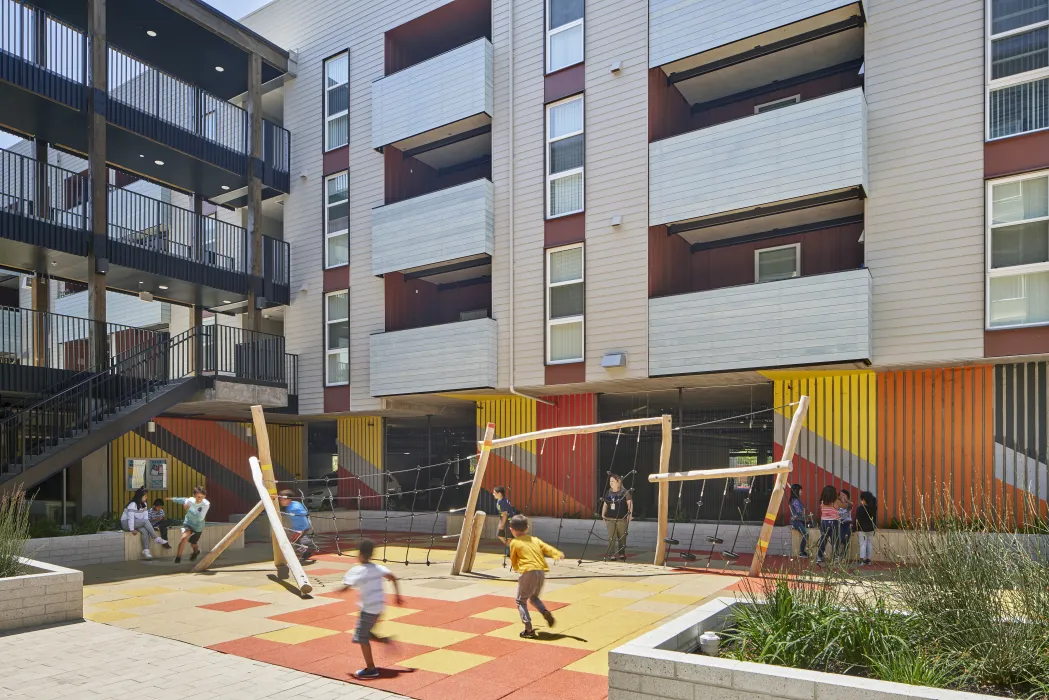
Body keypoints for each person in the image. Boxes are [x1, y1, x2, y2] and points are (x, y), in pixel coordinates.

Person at [341, 539, 403, 680]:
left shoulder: (358, 570)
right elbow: (393, 577)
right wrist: (398, 596)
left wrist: (340, 589)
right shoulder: (378, 568)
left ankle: (371, 669)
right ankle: (384, 640)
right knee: (366, 632)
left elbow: (346, 585)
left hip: (368, 609)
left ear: (361, 554)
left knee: (361, 637)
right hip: (379, 607)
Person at [508, 514, 562, 638]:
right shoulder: (535, 539)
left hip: (528, 571)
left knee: (520, 601)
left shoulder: (514, 542)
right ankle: (544, 611)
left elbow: (513, 559)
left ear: (511, 529)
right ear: (527, 528)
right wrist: (557, 554)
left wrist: (517, 569)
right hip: (541, 571)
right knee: (533, 597)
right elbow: (547, 548)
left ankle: (528, 629)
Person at [121, 487, 169, 559]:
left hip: (136, 522)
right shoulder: (132, 504)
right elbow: (131, 518)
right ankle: (156, 538)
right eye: (145, 496)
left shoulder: (144, 504)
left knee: (145, 530)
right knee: (145, 521)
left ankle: (146, 551)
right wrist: (131, 529)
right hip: (126, 523)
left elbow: (145, 517)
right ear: (140, 496)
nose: (147, 497)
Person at [169, 486, 209, 564]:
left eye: (201, 497)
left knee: (193, 543)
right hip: (188, 523)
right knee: (184, 538)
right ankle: (178, 557)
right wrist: (172, 499)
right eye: (197, 497)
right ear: (194, 496)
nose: (199, 499)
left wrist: (190, 507)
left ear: (204, 496)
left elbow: (200, 517)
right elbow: (183, 500)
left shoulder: (206, 504)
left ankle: (196, 551)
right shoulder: (191, 500)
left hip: (198, 526)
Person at [278, 489, 319, 562]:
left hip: (301, 528)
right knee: (297, 540)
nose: (281, 502)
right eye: (280, 500)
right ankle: (308, 548)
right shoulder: (294, 503)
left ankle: (308, 550)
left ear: (289, 499)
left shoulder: (293, 507)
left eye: (282, 500)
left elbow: (302, 513)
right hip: (302, 527)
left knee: (293, 541)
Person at [601, 473, 633, 561]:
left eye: (613, 481)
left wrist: (630, 514)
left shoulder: (624, 492)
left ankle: (622, 553)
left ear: (618, 482)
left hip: (621, 519)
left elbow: (629, 503)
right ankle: (612, 554)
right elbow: (605, 504)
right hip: (610, 519)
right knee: (611, 537)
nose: (610, 483)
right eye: (610, 481)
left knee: (622, 537)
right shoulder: (608, 492)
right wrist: (603, 514)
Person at [816, 485, 841, 565]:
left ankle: (819, 557)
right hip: (834, 522)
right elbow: (844, 506)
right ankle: (835, 557)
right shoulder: (836, 501)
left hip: (824, 522)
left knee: (823, 540)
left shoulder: (822, 502)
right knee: (835, 540)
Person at [856, 491, 877, 565]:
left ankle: (862, 560)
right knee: (869, 543)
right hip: (871, 529)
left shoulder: (860, 508)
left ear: (864, 500)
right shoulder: (873, 508)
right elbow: (874, 519)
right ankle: (868, 560)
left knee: (863, 544)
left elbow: (857, 519)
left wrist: (854, 529)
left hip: (862, 529)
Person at [788, 484, 808, 559]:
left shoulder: (796, 500)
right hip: (796, 522)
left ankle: (803, 551)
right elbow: (799, 512)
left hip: (799, 520)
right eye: (800, 490)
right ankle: (801, 552)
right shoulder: (795, 500)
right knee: (806, 534)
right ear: (797, 491)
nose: (801, 491)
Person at [837, 490, 854, 561]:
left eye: (844, 495)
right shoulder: (837, 503)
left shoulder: (849, 503)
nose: (842, 496)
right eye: (841, 495)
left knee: (846, 539)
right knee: (840, 538)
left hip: (847, 523)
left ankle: (844, 555)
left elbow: (851, 506)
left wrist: (846, 500)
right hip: (840, 523)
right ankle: (838, 555)